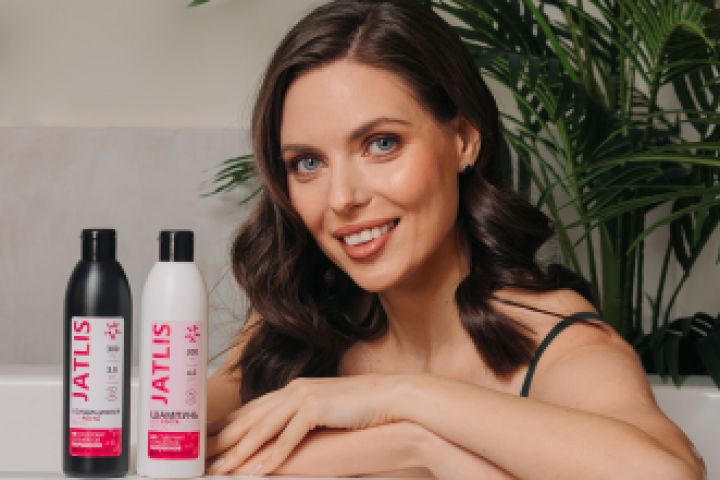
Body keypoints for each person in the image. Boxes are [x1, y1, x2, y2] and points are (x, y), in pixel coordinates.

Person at [205, 0, 705, 478]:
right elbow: (186, 436)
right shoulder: (303, 317)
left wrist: (402, 399)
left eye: (381, 144)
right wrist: (414, 445)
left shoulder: (554, 340)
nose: (341, 198)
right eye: (308, 163)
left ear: (464, 140)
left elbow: (667, 474)